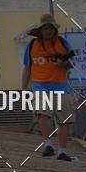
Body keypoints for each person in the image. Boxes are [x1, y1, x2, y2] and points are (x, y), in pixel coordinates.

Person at [21, 13, 75, 162]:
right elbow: (27, 67)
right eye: (46, 28)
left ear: (54, 30)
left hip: (61, 86)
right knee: (42, 113)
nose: (48, 31)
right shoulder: (32, 46)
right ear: (40, 30)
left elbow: (72, 64)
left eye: (51, 28)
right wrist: (24, 89)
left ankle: (62, 151)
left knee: (64, 120)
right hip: (39, 85)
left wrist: (62, 63)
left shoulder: (63, 43)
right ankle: (48, 145)